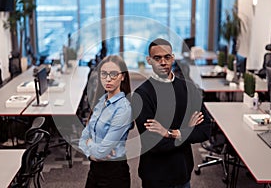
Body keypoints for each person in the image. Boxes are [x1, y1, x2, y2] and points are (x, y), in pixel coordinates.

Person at [132, 38, 211, 188]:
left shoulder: (188, 88)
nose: (163, 62)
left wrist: (169, 133)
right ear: (149, 60)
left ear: (173, 58)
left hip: (182, 172)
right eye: (157, 58)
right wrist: (187, 130)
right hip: (155, 175)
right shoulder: (141, 95)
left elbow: (205, 130)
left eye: (167, 57)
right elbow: (154, 144)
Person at [79, 55, 133, 188]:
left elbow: (101, 152)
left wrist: (90, 144)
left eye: (114, 74)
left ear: (123, 77)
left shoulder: (123, 109)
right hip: (94, 170)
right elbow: (83, 138)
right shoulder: (101, 101)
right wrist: (91, 152)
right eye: (104, 74)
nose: (108, 79)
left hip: (114, 174)